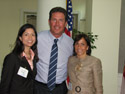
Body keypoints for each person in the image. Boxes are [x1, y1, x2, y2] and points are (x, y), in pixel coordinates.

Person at [35, 7, 74, 94]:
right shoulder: (37, 38)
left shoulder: (71, 43)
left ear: (65, 23)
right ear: (49, 22)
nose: (57, 24)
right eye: (54, 20)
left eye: (60, 20)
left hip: (60, 89)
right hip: (39, 88)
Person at [0, 24, 39, 94]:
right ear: (20, 38)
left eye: (33, 35)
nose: (30, 38)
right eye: (26, 35)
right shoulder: (12, 58)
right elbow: (5, 84)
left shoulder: (34, 57)